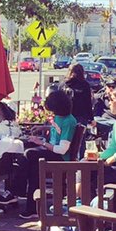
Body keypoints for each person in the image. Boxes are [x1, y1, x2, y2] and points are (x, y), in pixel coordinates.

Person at [18, 88, 78, 219]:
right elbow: (56, 131)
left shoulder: (69, 121)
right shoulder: (59, 117)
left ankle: (18, 190)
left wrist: (41, 143)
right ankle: (31, 206)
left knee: (29, 154)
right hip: (52, 151)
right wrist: (43, 128)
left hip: (60, 157)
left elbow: (62, 149)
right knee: (32, 165)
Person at [62, 62, 94, 126]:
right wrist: (91, 118)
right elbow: (88, 103)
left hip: (65, 116)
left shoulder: (64, 84)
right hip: (80, 116)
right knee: (79, 131)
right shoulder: (85, 85)